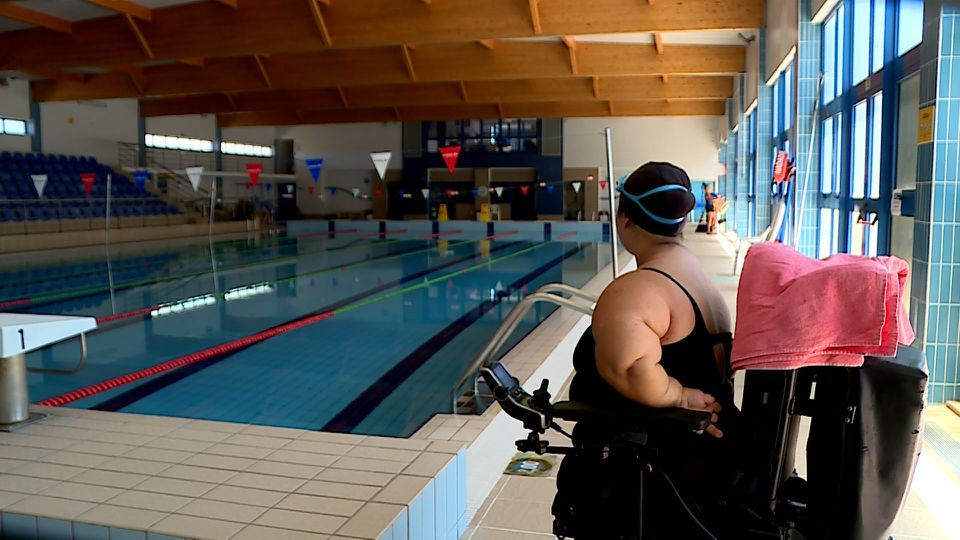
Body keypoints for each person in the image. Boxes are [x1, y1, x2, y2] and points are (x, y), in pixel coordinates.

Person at [554, 162, 740, 537]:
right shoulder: (698, 278)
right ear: (682, 222)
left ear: (623, 219)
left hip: (653, 473)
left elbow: (631, 370)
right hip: (700, 459)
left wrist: (677, 394)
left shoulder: (640, 290)